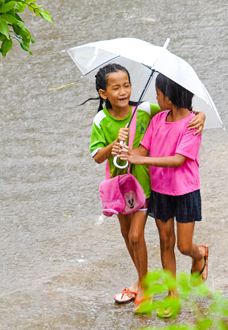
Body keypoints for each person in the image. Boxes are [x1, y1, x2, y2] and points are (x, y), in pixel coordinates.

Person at [86, 64, 205, 306]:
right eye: (116, 87)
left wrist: (201, 115)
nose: (123, 92)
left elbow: (179, 124)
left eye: (127, 85)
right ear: (103, 93)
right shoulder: (110, 119)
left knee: (157, 239)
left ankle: (157, 277)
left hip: (157, 188)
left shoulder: (149, 111)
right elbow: (102, 155)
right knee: (143, 238)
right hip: (133, 188)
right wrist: (119, 149)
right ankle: (155, 286)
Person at [116, 73, 208, 318]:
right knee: (165, 241)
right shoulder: (157, 120)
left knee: (184, 245)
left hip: (186, 190)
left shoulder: (192, 124)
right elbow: (141, 149)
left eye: (158, 94)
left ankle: (200, 255)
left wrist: (142, 159)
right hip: (160, 190)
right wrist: (125, 150)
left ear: (170, 97)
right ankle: (172, 295)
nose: (155, 97)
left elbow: (179, 159)